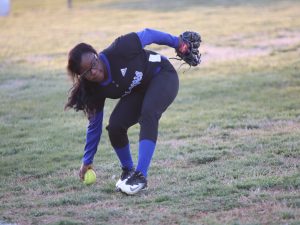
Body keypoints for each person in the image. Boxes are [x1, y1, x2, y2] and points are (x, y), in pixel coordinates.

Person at [65, 28, 197, 195]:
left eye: (93, 63)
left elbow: (148, 34)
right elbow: (94, 126)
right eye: (87, 72)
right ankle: (128, 171)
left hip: (162, 74)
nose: (94, 71)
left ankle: (140, 176)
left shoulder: (119, 49)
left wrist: (177, 42)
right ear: (81, 76)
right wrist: (87, 161)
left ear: (96, 54)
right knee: (115, 126)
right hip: (140, 89)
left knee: (148, 114)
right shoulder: (93, 89)